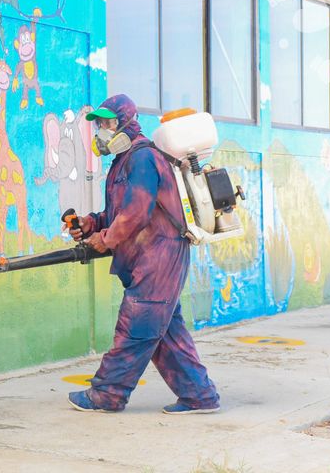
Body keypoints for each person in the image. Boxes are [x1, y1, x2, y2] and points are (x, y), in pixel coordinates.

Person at [67, 94, 220, 415]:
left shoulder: (143, 158)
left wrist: (105, 239)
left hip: (159, 258)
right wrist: (91, 223)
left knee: (136, 328)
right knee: (164, 334)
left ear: (125, 123)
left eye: (107, 123)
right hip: (149, 258)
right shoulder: (123, 163)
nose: (101, 131)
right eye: (99, 124)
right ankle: (199, 396)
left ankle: (107, 395)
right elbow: (118, 213)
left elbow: (136, 213)